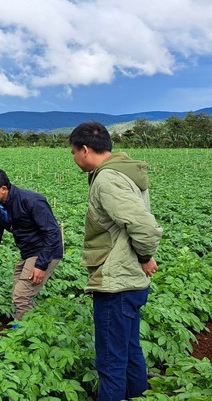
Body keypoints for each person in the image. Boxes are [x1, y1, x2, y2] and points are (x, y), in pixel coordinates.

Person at [69, 121, 162, 400]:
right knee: (130, 351)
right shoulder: (126, 173)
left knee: (110, 363)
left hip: (116, 283)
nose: (73, 158)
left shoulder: (108, 180)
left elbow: (145, 228)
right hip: (131, 281)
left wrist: (145, 256)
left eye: (73, 152)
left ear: (85, 150)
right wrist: (143, 259)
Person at [0, 168, 63, 321]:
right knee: (19, 295)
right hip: (28, 252)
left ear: (3, 189)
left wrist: (41, 265)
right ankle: (26, 327)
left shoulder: (32, 201)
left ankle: (24, 333)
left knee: (21, 295)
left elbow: (53, 233)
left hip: (45, 251)